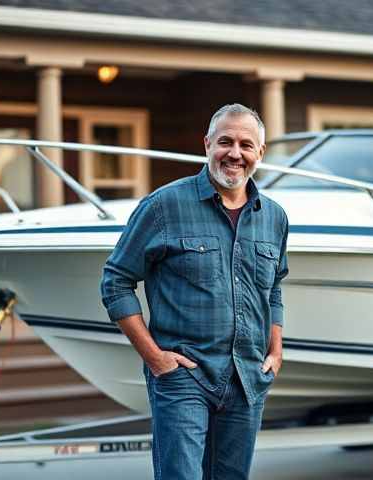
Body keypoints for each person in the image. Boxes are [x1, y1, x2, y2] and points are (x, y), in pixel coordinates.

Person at [100, 103, 289, 480]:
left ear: (259, 154)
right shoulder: (164, 206)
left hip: (246, 377)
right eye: (225, 142)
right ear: (206, 145)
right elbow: (116, 281)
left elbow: (275, 287)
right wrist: (154, 358)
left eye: (246, 145)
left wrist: (276, 349)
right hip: (183, 376)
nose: (235, 153)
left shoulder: (274, 216)